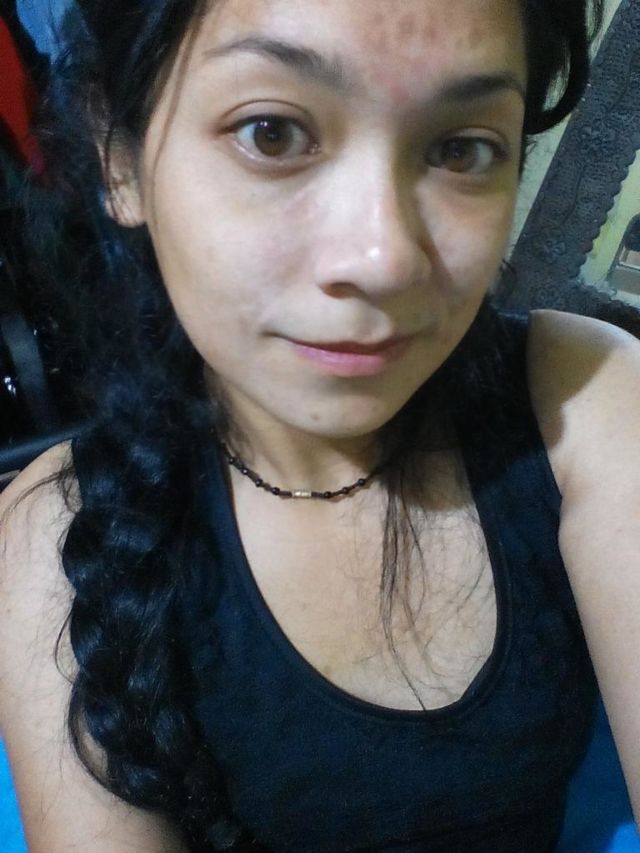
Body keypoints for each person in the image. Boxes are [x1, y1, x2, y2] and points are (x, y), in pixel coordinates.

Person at [2, 0, 638, 851]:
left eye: (462, 148)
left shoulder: (585, 399)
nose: (384, 259)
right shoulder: (56, 539)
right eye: (271, 133)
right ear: (121, 154)